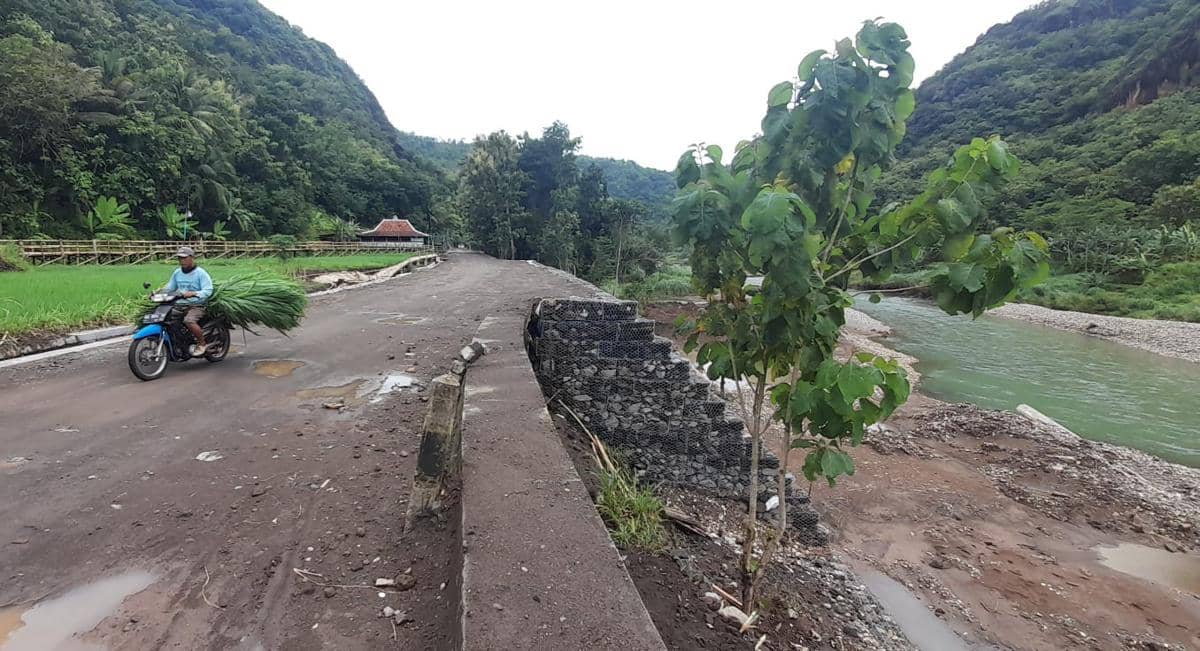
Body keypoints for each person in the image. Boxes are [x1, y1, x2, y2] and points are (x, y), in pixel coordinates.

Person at [162, 246, 214, 356]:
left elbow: (208, 290)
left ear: (192, 257)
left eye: (184, 258)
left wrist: (195, 293)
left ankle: (201, 343)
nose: (182, 261)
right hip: (180, 304)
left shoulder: (200, 273)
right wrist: (159, 292)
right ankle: (178, 343)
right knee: (166, 319)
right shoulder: (177, 273)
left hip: (197, 305)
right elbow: (170, 287)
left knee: (189, 321)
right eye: (180, 258)